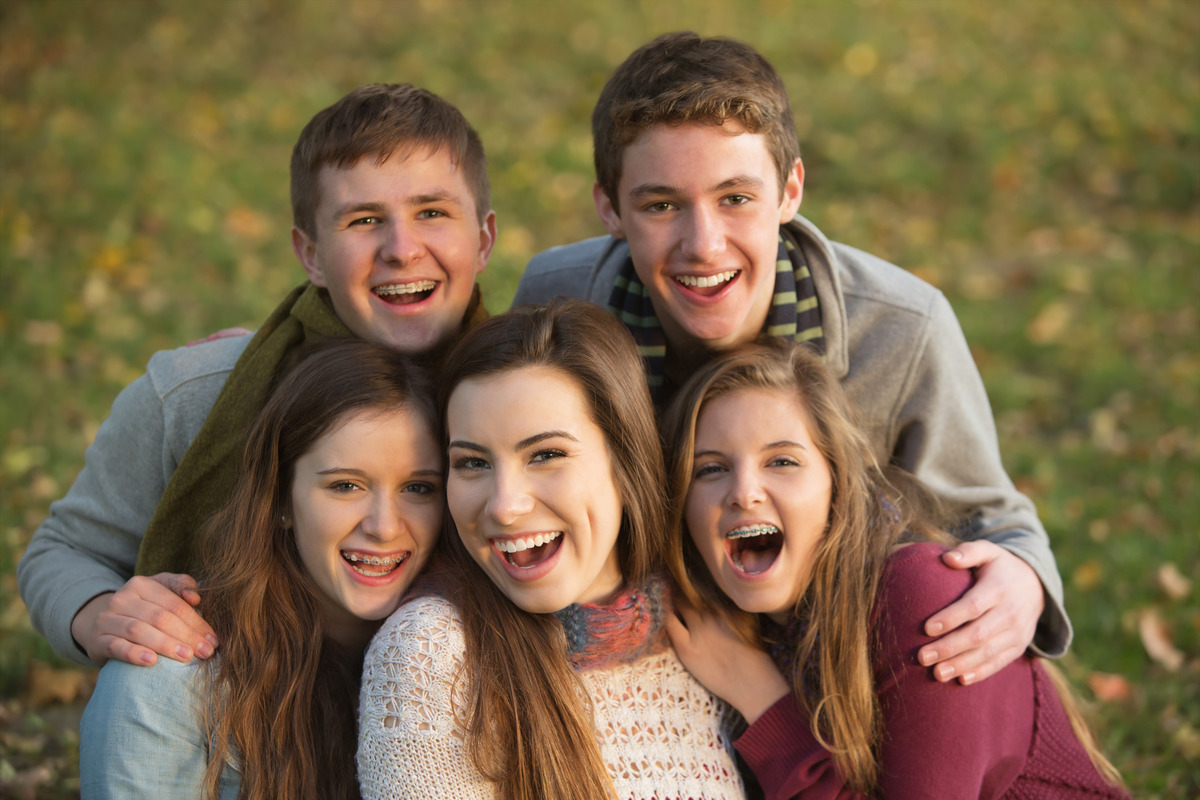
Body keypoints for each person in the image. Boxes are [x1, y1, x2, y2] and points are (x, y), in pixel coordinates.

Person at [513, 31, 1068, 684]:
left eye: (736, 199)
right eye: (661, 205)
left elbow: (990, 517)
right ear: (609, 206)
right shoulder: (558, 302)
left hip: (828, 670)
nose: (704, 244)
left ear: (790, 190)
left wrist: (1025, 578)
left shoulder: (900, 330)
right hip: (629, 657)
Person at [19, 83, 496, 669]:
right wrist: (100, 613)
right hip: (241, 727)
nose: (401, 248)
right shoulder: (199, 392)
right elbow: (64, 551)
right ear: (312, 254)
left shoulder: (528, 399)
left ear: (484, 240)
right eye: (363, 219)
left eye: (432, 212)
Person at [660, 340, 1128, 799]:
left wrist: (762, 699)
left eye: (782, 462)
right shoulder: (730, 632)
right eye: (710, 469)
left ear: (837, 485)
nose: (744, 492)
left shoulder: (920, 596)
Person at [356, 301, 747, 800]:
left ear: (624, 461)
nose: (505, 506)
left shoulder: (704, 628)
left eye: (545, 455)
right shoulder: (432, 653)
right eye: (472, 463)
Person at [79, 339, 444, 799]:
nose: (384, 527)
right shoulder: (167, 684)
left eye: (417, 488)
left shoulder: (456, 663)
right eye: (345, 485)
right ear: (280, 501)